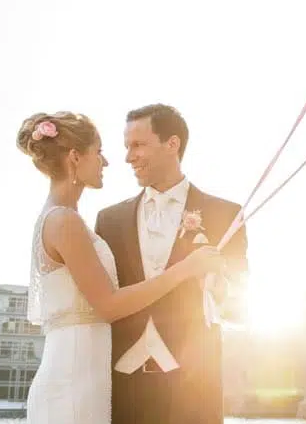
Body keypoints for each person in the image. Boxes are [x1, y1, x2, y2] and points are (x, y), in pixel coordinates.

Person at [18, 111, 224, 424]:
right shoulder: (64, 221)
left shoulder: (69, 219)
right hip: (74, 378)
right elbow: (109, 305)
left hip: (89, 374)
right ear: (75, 158)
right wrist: (186, 269)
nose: (109, 161)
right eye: (98, 152)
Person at [95, 104, 248, 424]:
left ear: (172, 144)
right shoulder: (109, 219)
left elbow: (239, 309)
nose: (128, 157)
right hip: (123, 384)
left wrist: (217, 281)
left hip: (195, 387)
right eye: (127, 147)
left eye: (138, 145)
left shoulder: (226, 214)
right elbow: (103, 302)